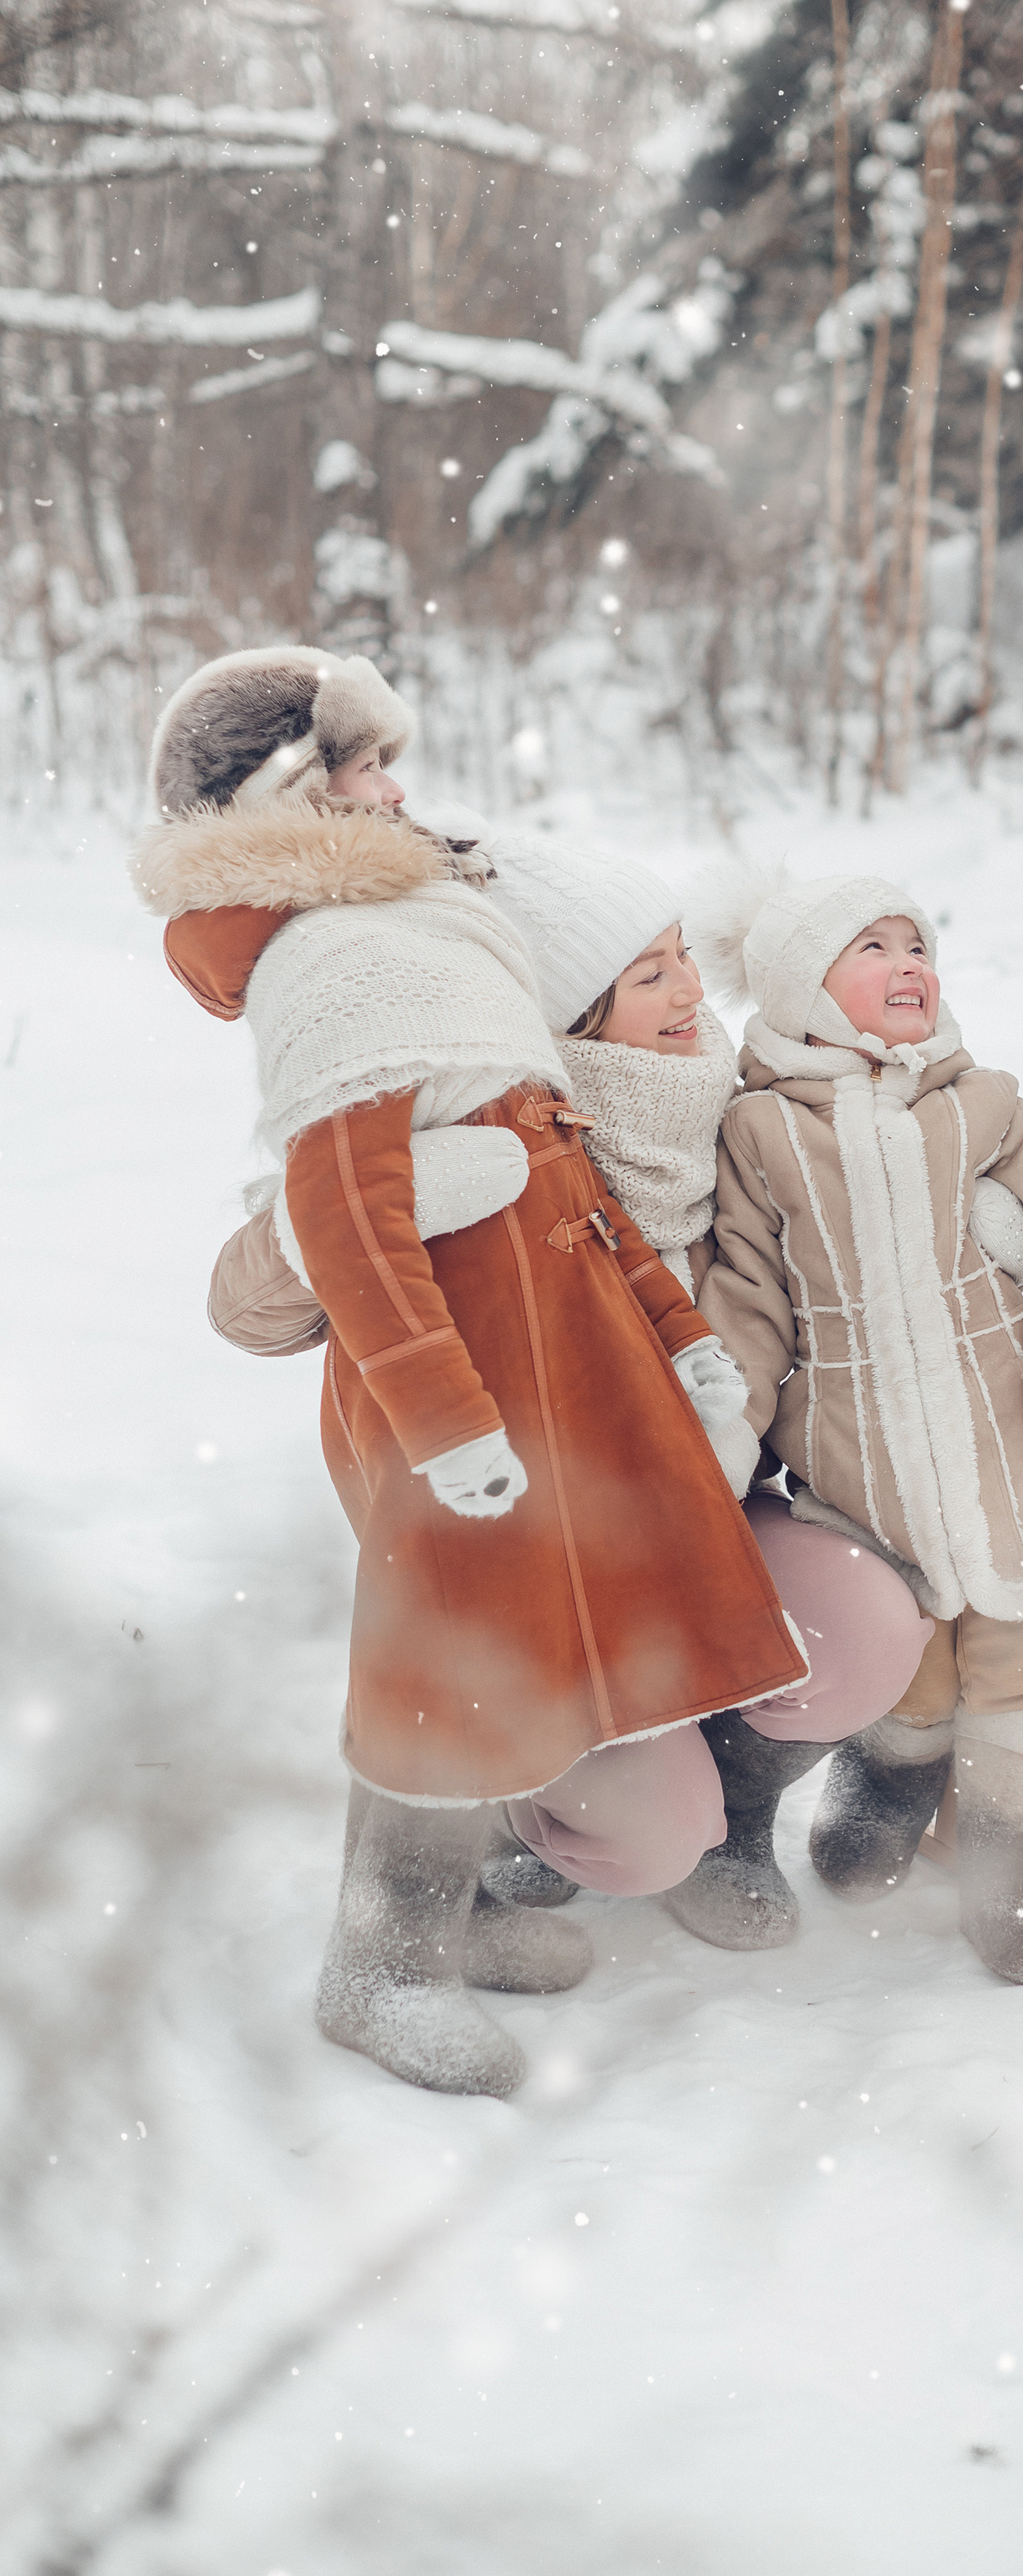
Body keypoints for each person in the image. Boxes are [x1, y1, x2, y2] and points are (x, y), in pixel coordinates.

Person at [133, 646, 809, 2098]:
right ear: (289, 797)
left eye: (387, 761)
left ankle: (475, 1900)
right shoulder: (335, 954)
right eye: (361, 768)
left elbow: (556, 1165)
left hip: (554, 1336)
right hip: (449, 1369)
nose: (396, 786)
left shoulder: (426, 920)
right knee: (442, 1652)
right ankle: (377, 1963)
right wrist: (440, 1415)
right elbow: (343, 1211)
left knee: (531, 1625)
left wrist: (683, 1342)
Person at [208, 824, 934, 1952]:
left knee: (866, 1629)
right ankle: (525, 1797)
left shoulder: (734, 1109)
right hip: (546, 1567)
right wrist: (343, 1223)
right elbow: (252, 1306)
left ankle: (738, 1822)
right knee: (651, 1832)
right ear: (567, 1016)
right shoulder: (481, 1132)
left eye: (685, 954)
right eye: (649, 975)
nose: (694, 991)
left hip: (711, 1514)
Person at [692, 868, 1023, 1989]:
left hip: (1009, 1445)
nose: (909, 964)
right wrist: (717, 1444)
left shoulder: (983, 1103)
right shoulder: (760, 1133)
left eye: (918, 945)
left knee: (1012, 1668)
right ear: (805, 988)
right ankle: (881, 1785)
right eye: (873, 948)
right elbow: (747, 1310)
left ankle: (1017, 1888)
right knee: (912, 1664)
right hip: (862, 1460)